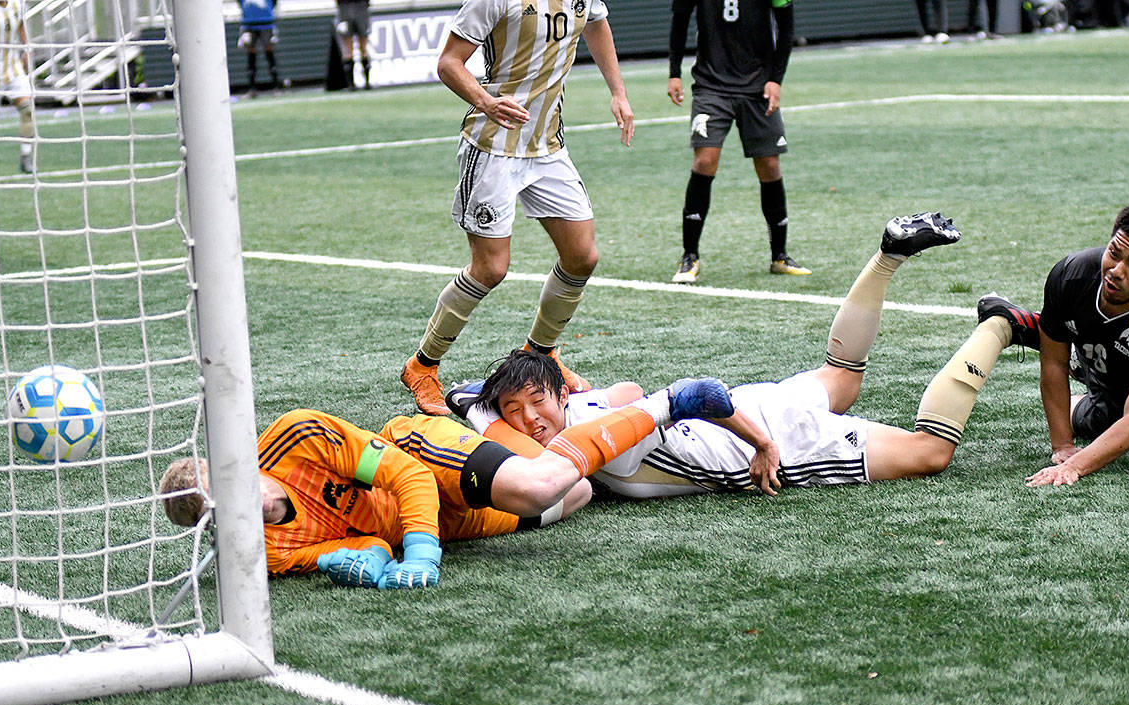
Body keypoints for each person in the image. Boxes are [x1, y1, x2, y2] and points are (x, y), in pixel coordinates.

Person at [450, 213, 1025, 497]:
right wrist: (476, 400)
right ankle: (889, 254)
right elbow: (473, 400)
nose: (527, 420)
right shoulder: (583, 408)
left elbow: (700, 393)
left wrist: (766, 446)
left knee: (930, 455)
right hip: (754, 406)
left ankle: (998, 325)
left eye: (534, 404)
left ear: (561, 393)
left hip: (762, 437)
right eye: (513, 410)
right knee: (841, 379)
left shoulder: (591, 440)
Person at [158, 380, 731, 589]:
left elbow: (404, 475)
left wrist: (421, 551)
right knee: (575, 493)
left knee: (535, 486)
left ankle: (666, 403)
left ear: (231, 465)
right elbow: (368, 546)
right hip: (446, 527)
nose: (239, 510)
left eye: (228, 489)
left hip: (420, 457)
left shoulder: (295, 437)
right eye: (221, 515)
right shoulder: (265, 552)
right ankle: (487, 412)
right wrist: (356, 564)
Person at [399, 0, 635, 415]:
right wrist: (485, 101)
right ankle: (422, 366)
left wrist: (618, 92)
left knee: (582, 256)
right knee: (490, 268)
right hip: (493, 146)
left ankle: (541, 358)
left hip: (548, 146)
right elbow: (449, 63)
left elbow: (597, 24)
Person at [974, 200, 1129, 487]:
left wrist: (1075, 466)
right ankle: (1043, 329)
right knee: (1074, 352)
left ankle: (1033, 326)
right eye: (1114, 253)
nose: (1117, 270)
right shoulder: (1072, 274)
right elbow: (1053, 362)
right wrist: (1063, 447)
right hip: (1097, 355)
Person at [667, 0, 811, 284]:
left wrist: (776, 79)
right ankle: (689, 257)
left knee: (769, 164)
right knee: (705, 160)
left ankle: (779, 256)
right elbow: (680, 18)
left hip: (758, 86)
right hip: (711, 85)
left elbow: (786, 24)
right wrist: (674, 72)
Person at [0, 0, 34, 173]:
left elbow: (20, 24)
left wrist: (26, 48)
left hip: (13, 68)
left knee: (27, 109)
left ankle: (26, 158)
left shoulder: (17, 4)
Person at [238, 0, 283, 97]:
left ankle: (276, 87)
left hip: (266, 22)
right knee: (251, 54)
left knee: (269, 52)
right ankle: (252, 89)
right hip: (249, 23)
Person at [335, 0, 371, 89]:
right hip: (345, 7)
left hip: (361, 7)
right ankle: (351, 84)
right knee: (348, 48)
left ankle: (366, 82)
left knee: (363, 47)